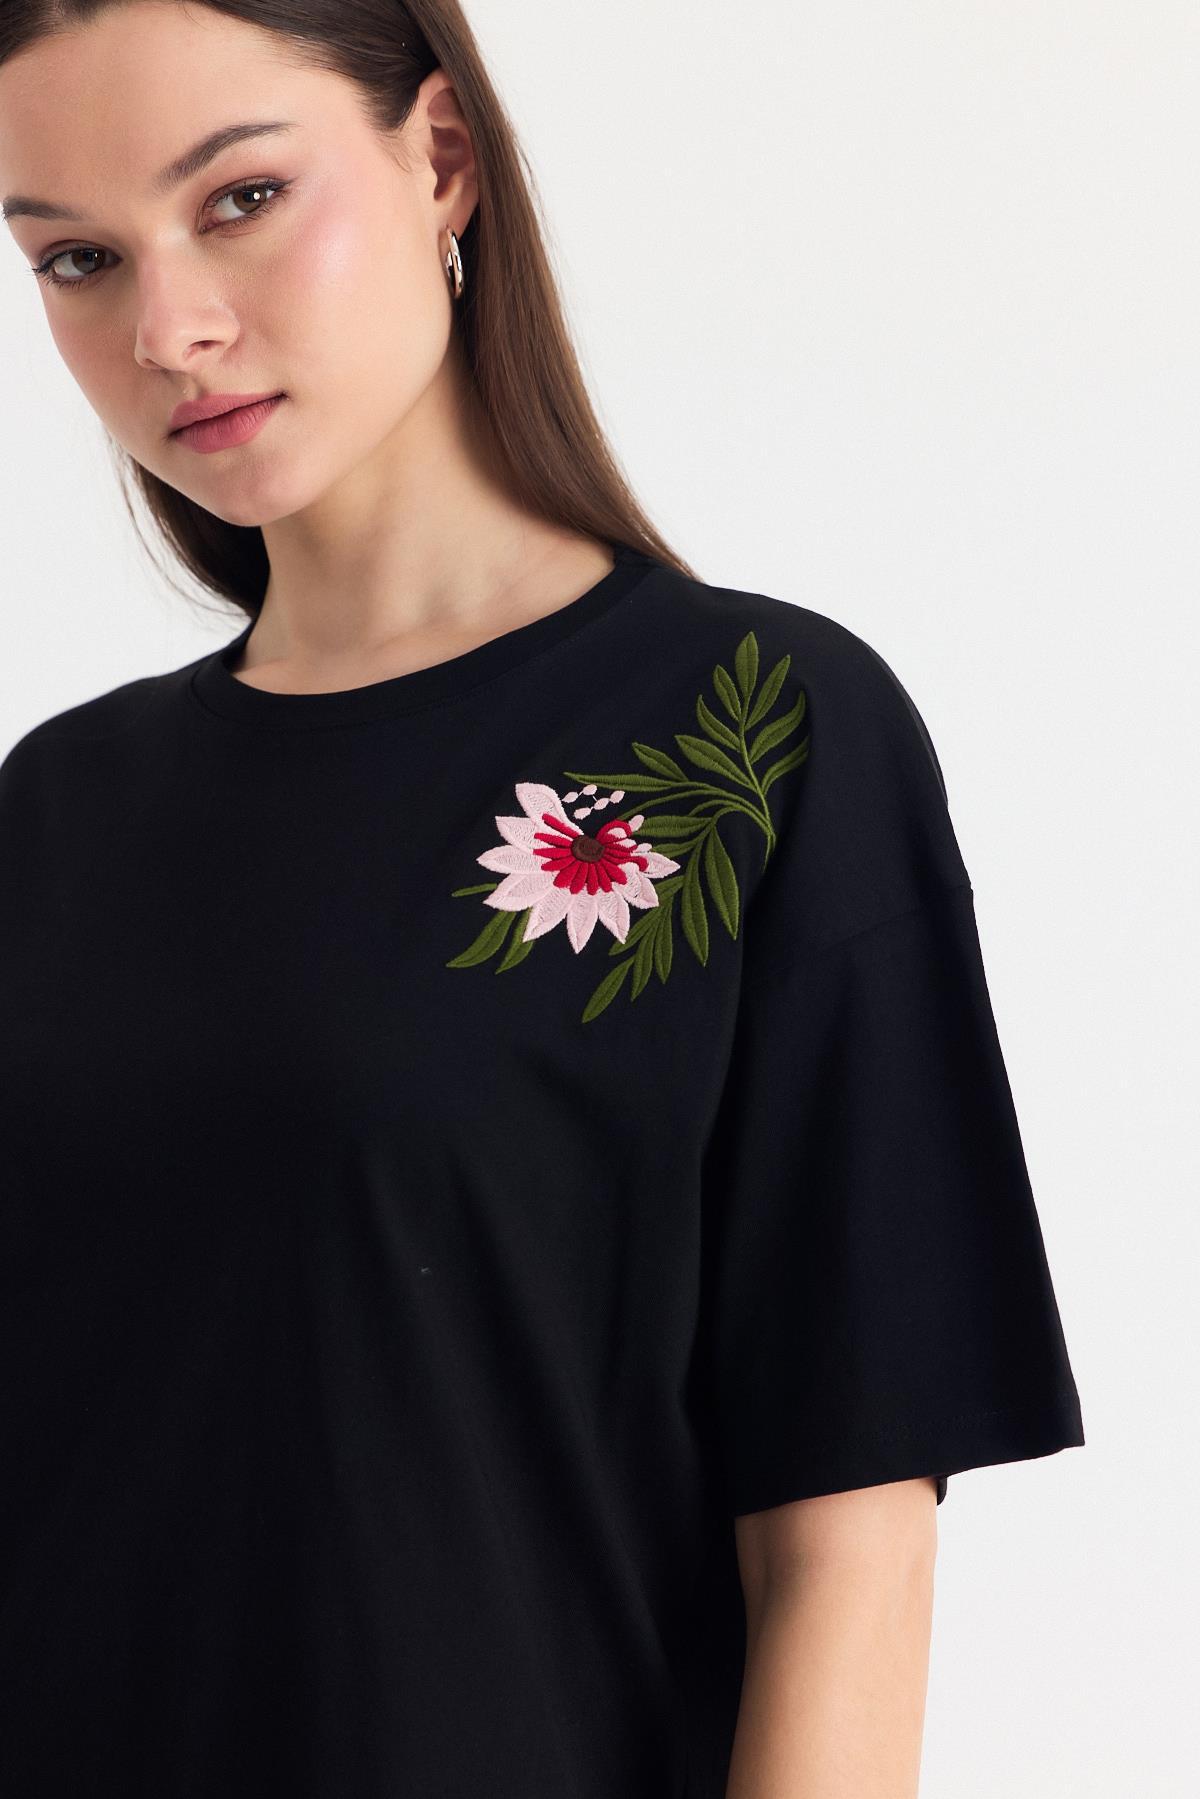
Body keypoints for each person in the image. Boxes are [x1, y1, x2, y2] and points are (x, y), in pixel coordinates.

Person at [0, 3, 1084, 1795]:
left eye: (242, 198)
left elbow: (849, 1538)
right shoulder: (57, 812)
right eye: (77, 259)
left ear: (441, 158)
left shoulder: (749, 734)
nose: (167, 328)